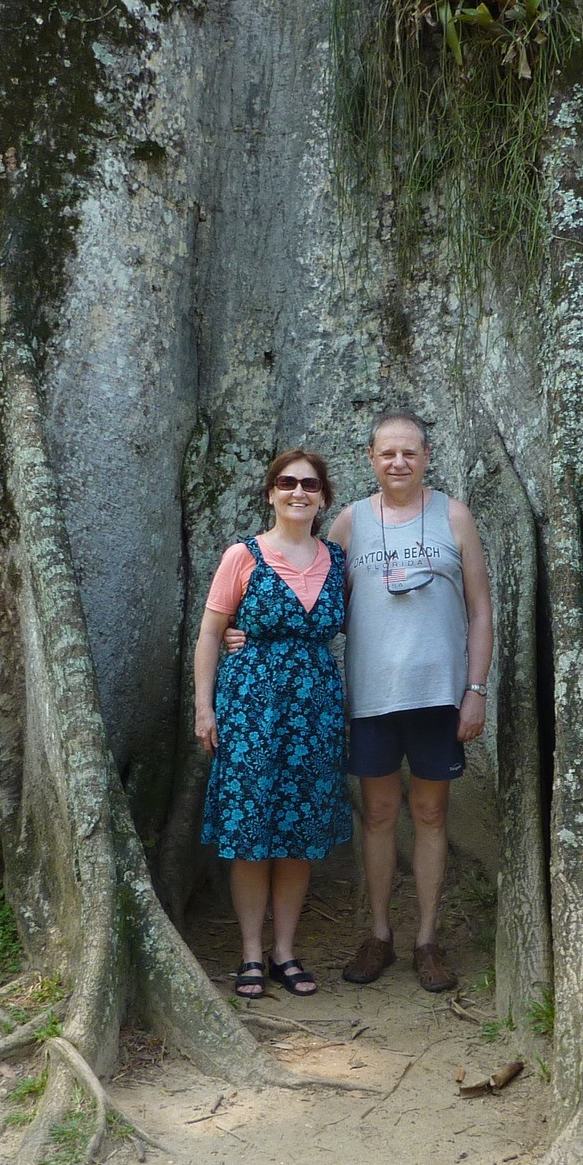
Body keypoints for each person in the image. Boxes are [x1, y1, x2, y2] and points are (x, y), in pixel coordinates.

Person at [330, 412, 493, 993]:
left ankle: (427, 939)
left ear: (426, 456)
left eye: (409, 452)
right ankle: (378, 934)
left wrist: (474, 690)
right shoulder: (349, 522)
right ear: (371, 458)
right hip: (372, 696)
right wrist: (243, 631)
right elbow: (317, 603)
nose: (398, 462)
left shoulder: (454, 516)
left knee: (429, 814)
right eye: (387, 453)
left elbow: (480, 610)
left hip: (438, 697)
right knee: (377, 814)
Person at [193, 450, 349, 1000]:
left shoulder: (337, 559)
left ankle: (285, 950)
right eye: (287, 482)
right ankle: (251, 953)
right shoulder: (243, 556)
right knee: (251, 830)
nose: (298, 492)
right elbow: (210, 632)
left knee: (298, 832)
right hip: (251, 710)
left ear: (323, 498)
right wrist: (204, 707)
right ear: (270, 493)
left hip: (315, 714)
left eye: (310, 484)